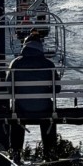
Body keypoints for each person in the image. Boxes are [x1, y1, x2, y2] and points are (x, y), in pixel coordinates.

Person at [7, 28, 59, 156]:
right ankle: (50, 149)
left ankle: (16, 149)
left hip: (21, 108)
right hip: (44, 108)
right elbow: (56, 88)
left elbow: (9, 88)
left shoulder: (16, 64)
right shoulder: (48, 64)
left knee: (16, 115)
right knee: (49, 115)